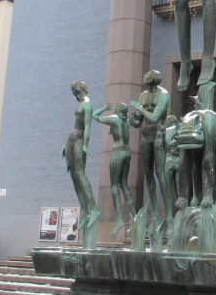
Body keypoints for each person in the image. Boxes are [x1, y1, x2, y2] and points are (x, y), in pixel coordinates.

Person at [130, 70, 172, 230]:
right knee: (148, 173)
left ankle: (169, 216)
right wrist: (133, 118)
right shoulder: (143, 95)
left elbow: (154, 117)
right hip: (145, 135)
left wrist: (139, 109)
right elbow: (138, 122)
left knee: (161, 173)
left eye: (146, 76)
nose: (143, 77)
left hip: (159, 134)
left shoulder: (164, 94)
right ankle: (155, 214)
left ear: (153, 79)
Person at [62, 81, 99, 248]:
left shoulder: (87, 105)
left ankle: (93, 208)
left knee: (80, 172)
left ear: (81, 90)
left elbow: (88, 126)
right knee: (73, 173)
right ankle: (83, 206)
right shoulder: (80, 103)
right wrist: (65, 145)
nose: (74, 95)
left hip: (79, 139)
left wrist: (85, 144)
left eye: (75, 92)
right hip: (71, 139)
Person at [93, 102, 136, 239]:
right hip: (127, 153)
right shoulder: (126, 121)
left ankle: (119, 220)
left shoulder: (114, 119)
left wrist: (104, 108)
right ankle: (134, 217)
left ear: (117, 110)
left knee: (114, 185)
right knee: (124, 185)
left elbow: (95, 115)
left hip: (118, 152)